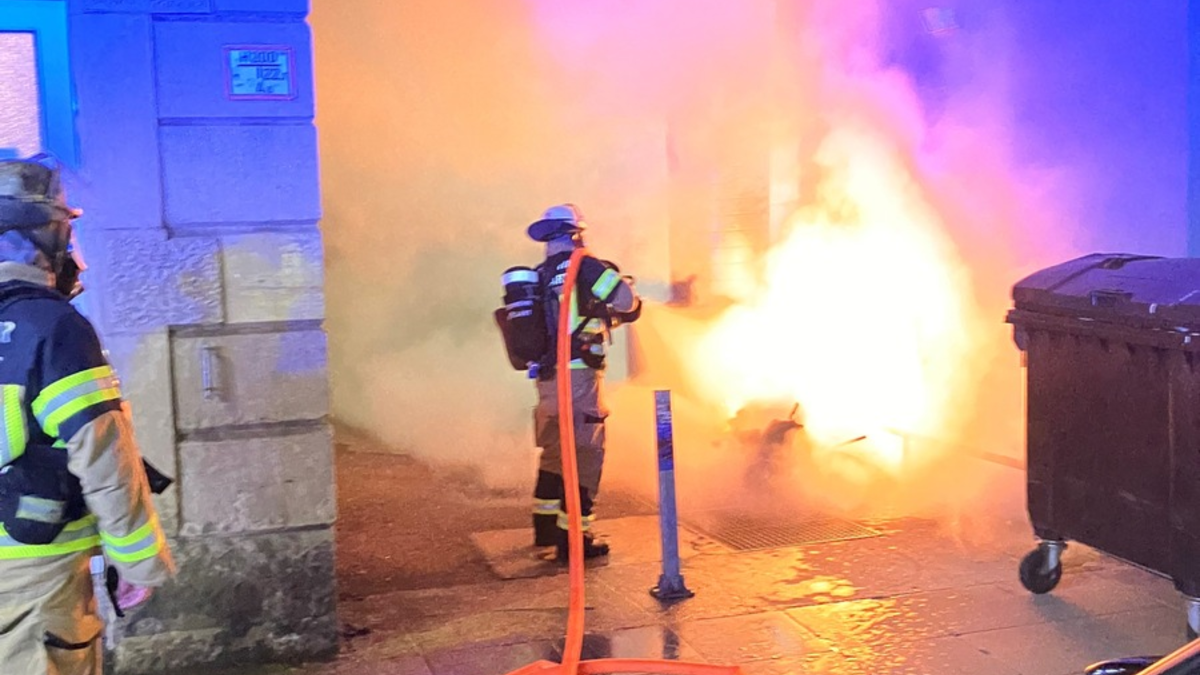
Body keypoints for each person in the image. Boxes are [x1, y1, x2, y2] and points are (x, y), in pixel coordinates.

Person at [0, 157, 175, 674]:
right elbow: (102, 454)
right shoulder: (53, 328)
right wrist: (137, 560)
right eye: (64, 231)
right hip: (32, 573)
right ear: (35, 236)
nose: (72, 251)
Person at [527, 204, 641, 562]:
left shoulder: (539, 274)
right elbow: (626, 302)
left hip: (546, 379)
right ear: (577, 232)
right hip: (579, 378)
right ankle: (575, 537)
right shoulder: (588, 267)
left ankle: (545, 527)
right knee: (587, 453)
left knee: (555, 450)